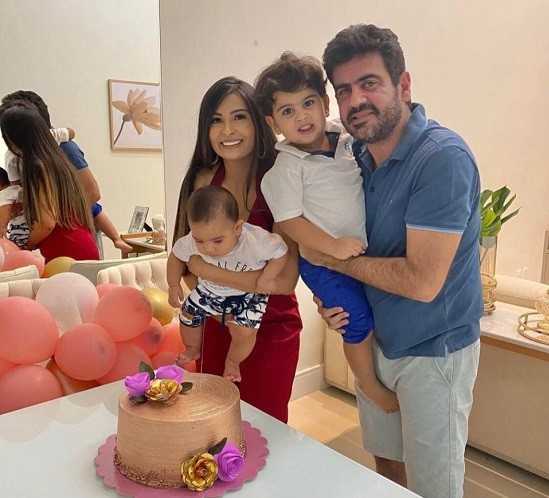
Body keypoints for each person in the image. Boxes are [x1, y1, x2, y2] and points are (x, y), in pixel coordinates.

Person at [304, 24, 482, 498]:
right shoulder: (354, 157)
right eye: (344, 90)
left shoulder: (442, 159)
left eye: (369, 83)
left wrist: (335, 264)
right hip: (377, 341)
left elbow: (422, 281)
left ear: (403, 85)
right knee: (385, 468)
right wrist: (334, 298)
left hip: (434, 352)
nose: (355, 100)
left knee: (433, 487)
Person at [256, 52, 398, 413]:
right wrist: (332, 247)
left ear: (324, 102)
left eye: (308, 103)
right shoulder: (286, 169)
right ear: (274, 122)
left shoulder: (346, 139)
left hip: (358, 253)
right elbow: (291, 222)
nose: (301, 116)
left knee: (375, 314)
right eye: (287, 111)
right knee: (356, 321)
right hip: (322, 263)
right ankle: (368, 385)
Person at [172, 77, 302, 423]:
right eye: (216, 120)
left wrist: (209, 272)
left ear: (258, 121)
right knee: (214, 427)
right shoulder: (202, 180)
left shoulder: (282, 178)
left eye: (239, 117)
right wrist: (220, 301)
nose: (227, 130)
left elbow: (285, 280)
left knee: (266, 428)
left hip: (272, 328)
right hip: (215, 326)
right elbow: (184, 261)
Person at [168, 185, 288, 382]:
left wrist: (267, 277)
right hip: (210, 289)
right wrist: (173, 284)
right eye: (200, 241)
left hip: (250, 296)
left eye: (217, 241)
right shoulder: (192, 239)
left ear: (237, 228)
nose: (208, 248)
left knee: (245, 331)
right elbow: (176, 256)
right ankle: (192, 348)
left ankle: (233, 362)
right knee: (188, 313)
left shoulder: (256, 240)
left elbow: (281, 252)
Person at [1, 90, 132, 256]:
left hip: (61, 245)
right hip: (77, 241)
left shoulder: (40, 163)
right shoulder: (52, 151)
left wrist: (26, 245)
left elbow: (48, 222)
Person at [0, 101, 99, 262]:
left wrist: (26, 247)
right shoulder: (57, 158)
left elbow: (46, 223)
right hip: (82, 243)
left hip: (62, 250)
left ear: (12, 139)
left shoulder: (37, 166)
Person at [1, 126, 75, 247]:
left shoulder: (13, 161)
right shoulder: (49, 138)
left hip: (26, 240)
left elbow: (1, 231)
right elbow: (71, 132)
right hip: (42, 236)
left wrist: (27, 247)